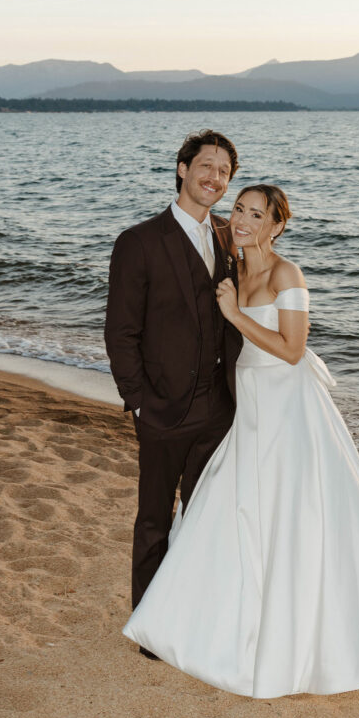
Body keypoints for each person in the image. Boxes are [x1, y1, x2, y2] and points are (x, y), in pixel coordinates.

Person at [123, 184, 359, 697]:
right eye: (238, 208)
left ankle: (296, 635)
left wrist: (235, 314)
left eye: (256, 214)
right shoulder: (232, 268)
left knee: (292, 512)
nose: (242, 219)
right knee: (231, 507)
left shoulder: (287, 274)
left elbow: (292, 349)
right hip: (248, 406)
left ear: (276, 225)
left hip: (288, 407)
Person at [104, 130, 243, 649]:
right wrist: (138, 400)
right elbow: (121, 332)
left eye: (224, 171)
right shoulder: (139, 241)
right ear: (182, 168)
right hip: (161, 408)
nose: (214, 178)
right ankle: (151, 626)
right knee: (155, 519)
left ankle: (196, 613)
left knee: (208, 515)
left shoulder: (231, 236)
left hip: (220, 407)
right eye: (205, 166)